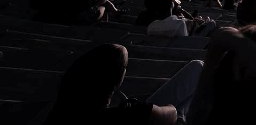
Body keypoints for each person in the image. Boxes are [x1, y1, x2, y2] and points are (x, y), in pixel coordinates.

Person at [44, 43, 202, 125]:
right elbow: (172, 113)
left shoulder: (61, 111)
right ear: (115, 78)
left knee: (197, 69)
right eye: (124, 67)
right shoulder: (130, 115)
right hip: (164, 118)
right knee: (197, 68)